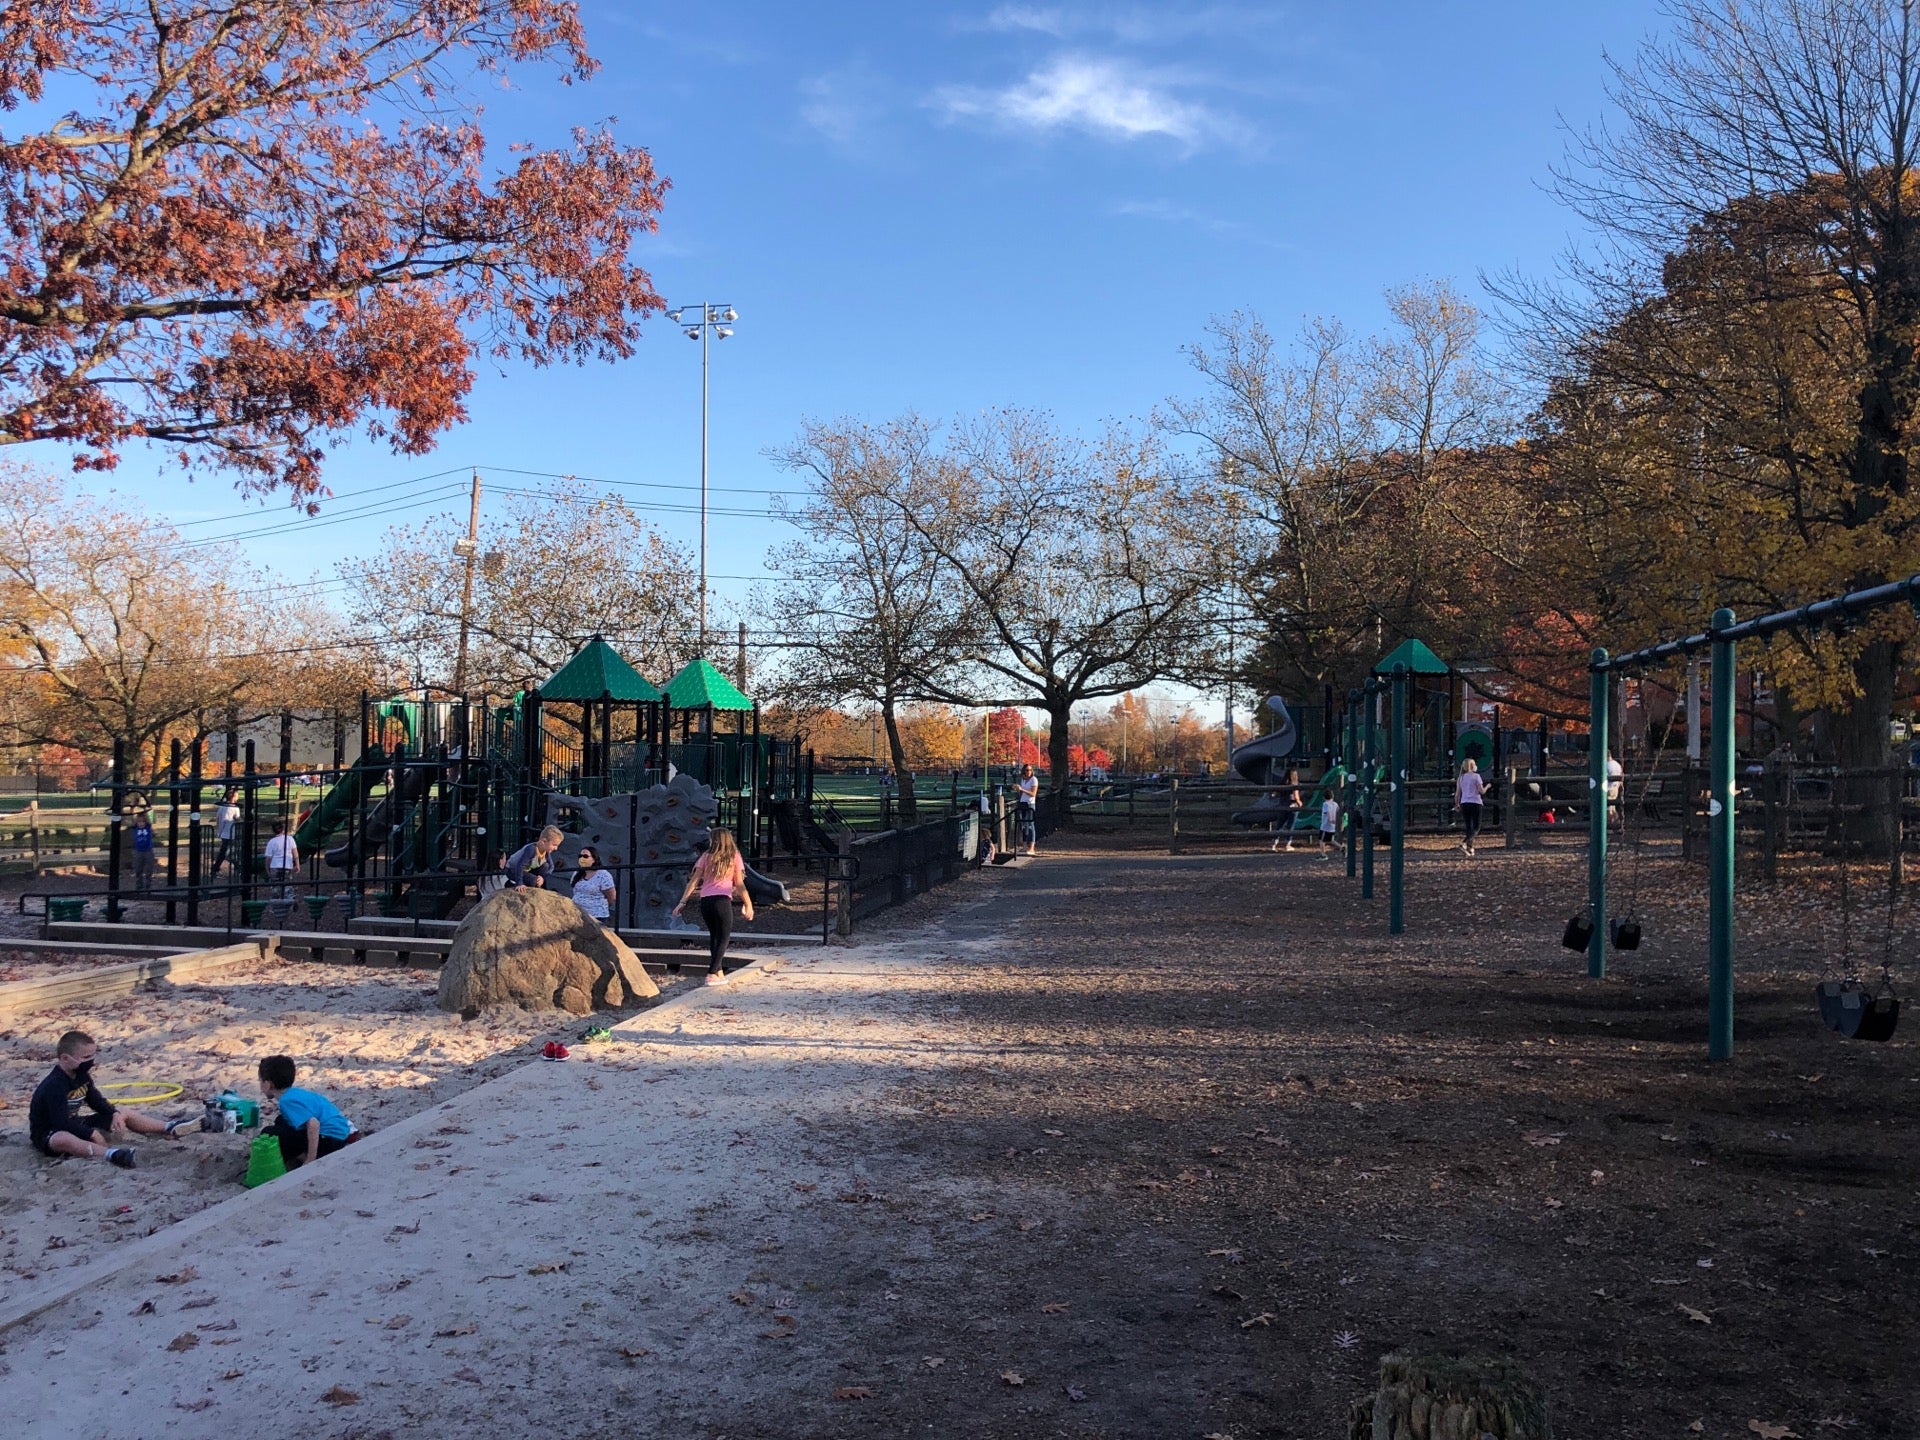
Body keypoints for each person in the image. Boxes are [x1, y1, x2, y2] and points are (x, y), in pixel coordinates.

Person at [30, 1030, 186, 1167]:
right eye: (86, 1057)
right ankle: (112, 1154)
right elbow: (61, 1122)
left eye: (92, 1056)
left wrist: (114, 1113)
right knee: (63, 1139)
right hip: (50, 1132)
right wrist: (92, 1134)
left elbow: (96, 1101)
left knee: (123, 1113)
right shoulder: (54, 1085)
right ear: (65, 1058)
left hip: (75, 1122)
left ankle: (169, 1127)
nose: (91, 1061)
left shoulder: (81, 1075)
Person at [672, 830, 755, 986]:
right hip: (722, 900)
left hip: (706, 901)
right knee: (724, 937)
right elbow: (739, 883)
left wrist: (683, 902)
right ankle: (711, 973)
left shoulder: (706, 856)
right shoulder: (734, 856)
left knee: (714, 936)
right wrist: (748, 904)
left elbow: (694, 881)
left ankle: (719, 972)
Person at [257, 1055, 356, 1170]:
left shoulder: (286, 1101)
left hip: (329, 1139)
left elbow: (314, 1124)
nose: (260, 1084)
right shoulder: (295, 1093)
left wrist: (310, 1159)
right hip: (340, 1131)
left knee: (270, 1133)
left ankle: (305, 1158)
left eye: (260, 1080)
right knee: (281, 1120)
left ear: (269, 1084)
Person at [570, 845, 616, 927]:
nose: (582, 859)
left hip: (596, 916)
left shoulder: (603, 875)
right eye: (580, 856)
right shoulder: (577, 873)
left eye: (585, 856)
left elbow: (611, 897)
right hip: (577, 914)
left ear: (594, 859)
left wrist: (599, 906)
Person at [1456, 758, 1487, 857]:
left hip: (1464, 803)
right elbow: (1481, 791)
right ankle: (1464, 843)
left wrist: (1457, 803)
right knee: (1477, 827)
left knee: (1469, 827)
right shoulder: (1476, 776)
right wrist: (1488, 786)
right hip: (1475, 803)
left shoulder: (1461, 778)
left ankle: (1470, 848)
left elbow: (1457, 793)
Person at [264, 820, 298, 902]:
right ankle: (290, 898)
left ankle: (277, 903)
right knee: (286, 884)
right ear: (283, 829)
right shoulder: (290, 839)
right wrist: (297, 864)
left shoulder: (271, 842)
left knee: (275, 886)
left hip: (275, 866)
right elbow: (295, 853)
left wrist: (267, 869)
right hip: (286, 865)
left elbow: (268, 858)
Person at [1273, 768, 1305, 852]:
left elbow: (1274, 793)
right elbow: (1296, 795)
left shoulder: (1282, 784)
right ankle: (1287, 844)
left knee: (1279, 825)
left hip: (1282, 806)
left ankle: (1274, 843)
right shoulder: (1296, 784)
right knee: (1290, 826)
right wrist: (1299, 803)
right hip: (1292, 806)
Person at [210, 789, 241, 875]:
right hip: (230, 832)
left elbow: (218, 818)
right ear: (233, 797)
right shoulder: (235, 808)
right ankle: (216, 868)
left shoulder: (222, 806)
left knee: (225, 851)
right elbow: (238, 819)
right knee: (227, 852)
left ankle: (216, 868)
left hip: (223, 832)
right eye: (237, 795)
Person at [1015, 764, 1040, 856]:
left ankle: (1032, 847)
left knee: (1030, 825)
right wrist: (1019, 790)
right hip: (1023, 803)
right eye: (1026, 770)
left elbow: (1033, 793)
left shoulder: (1034, 780)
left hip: (1030, 804)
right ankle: (1025, 846)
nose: (1028, 772)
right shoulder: (1023, 780)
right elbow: (1021, 793)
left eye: (1030, 770)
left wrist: (1022, 789)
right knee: (1023, 825)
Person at [128, 809, 156, 891]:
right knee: (138, 868)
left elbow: (148, 818)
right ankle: (139, 885)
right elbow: (132, 818)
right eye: (139, 822)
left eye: (142, 822)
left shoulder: (148, 827)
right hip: (138, 851)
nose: (141, 824)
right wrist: (135, 812)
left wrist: (144, 810)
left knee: (149, 869)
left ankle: (148, 885)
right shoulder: (135, 828)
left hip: (148, 850)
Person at [1319, 790, 1342, 857]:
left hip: (1326, 825)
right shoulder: (1335, 804)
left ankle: (1323, 854)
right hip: (1332, 826)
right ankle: (1341, 847)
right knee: (1330, 840)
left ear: (1324, 797)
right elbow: (1338, 812)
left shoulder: (1325, 804)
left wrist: (1330, 819)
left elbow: (1328, 812)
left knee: (1321, 840)